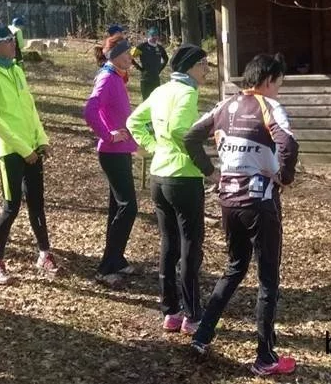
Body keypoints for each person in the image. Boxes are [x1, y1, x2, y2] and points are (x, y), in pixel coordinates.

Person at [183, 53, 300, 377]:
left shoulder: (225, 106)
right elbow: (288, 145)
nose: (279, 90)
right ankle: (265, 358)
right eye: (279, 84)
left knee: (235, 267)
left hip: (229, 201)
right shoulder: (269, 106)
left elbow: (190, 137)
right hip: (260, 203)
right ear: (268, 81)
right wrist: (285, 177)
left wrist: (211, 172)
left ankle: (202, 334)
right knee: (268, 279)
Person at [126, 44, 209, 335]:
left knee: (169, 243)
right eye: (203, 64)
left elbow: (134, 121)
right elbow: (178, 130)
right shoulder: (187, 93)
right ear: (190, 67)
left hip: (159, 177)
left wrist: (153, 148)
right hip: (183, 178)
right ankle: (193, 316)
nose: (207, 69)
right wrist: (204, 165)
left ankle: (170, 312)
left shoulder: (161, 91)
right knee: (190, 246)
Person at [0, 22, 60, 285]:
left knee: (37, 203)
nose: (14, 44)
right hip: (10, 151)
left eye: (13, 39)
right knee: (11, 207)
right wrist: (23, 149)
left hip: (32, 147)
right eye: (9, 40)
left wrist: (41, 139)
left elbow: (30, 108)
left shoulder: (16, 69)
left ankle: (44, 253)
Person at [83, 36, 139, 288]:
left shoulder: (116, 77)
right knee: (129, 207)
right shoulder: (106, 77)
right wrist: (108, 135)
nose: (130, 58)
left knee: (118, 207)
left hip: (121, 151)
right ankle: (105, 268)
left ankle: (116, 260)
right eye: (126, 53)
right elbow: (90, 110)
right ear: (114, 55)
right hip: (112, 152)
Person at [131, 27, 169, 99]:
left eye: (156, 35)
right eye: (152, 36)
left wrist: (159, 69)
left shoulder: (160, 48)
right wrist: (139, 68)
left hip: (156, 79)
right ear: (149, 36)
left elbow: (166, 59)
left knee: (156, 101)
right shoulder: (142, 46)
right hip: (145, 79)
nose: (155, 38)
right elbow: (130, 56)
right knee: (146, 101)